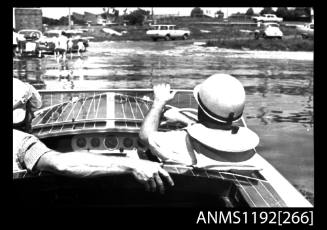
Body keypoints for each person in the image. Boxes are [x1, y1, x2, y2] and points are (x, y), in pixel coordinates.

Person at [139, 74, 260, 167]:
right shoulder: (246, 147)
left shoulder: (180, 142)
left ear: (200, 107)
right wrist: (184, 120)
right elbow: (216, 133)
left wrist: (158, 103)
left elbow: (145, 137)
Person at [13, 129, 174, 194]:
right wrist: (134, 164)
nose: (33, 115)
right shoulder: (22, 142)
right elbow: (60, 164)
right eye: (30, 110)